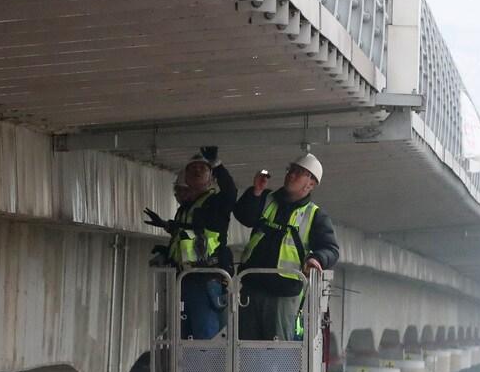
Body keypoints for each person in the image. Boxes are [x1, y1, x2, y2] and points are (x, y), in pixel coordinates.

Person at [233, 152, 339, 341]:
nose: (291, 175)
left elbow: (331, 249)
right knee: (245, 349)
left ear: (310, 184)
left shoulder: (315, 216)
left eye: (299, 173)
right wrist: (255, 191)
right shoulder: (265, 198)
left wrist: (317, 258)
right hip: (251, 286)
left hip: (283, 294)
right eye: (291, 170)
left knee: (277, 352)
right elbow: (244, 216)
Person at [144, 146, 238, 339]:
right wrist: (166, 229)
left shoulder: (214, 203)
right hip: (185, 280)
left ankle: (206, 370)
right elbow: (187, 232)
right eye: (192, 169)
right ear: (185, 177)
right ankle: (185, 370)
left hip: (206, 280)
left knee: (205, 341)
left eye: (202, 169)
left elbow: (230, 193)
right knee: (183, 339)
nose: (196, 171)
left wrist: (217, 165)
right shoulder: (186, 209)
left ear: (211, 177)